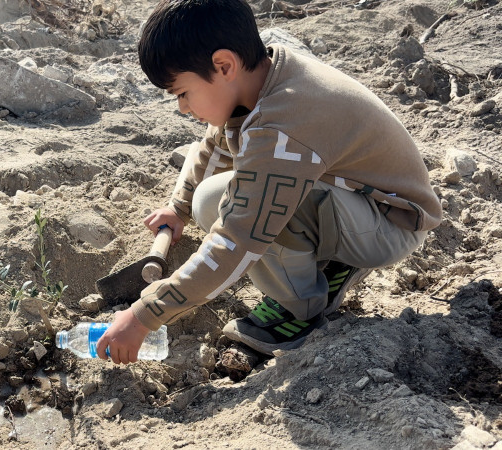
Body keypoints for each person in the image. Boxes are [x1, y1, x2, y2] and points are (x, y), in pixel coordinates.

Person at [96, 0, 442, 362]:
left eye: (183, 93)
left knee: (259, 201)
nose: (182, 107)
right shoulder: (264, 75)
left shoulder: (283, 123)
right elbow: (217, 143)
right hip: (362, 203)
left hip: (393, 225)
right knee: (208, 199)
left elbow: (238, 239)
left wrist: (145, 315)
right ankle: (333, 260)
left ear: (224, 65)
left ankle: (298, 310)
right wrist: (178, 208)